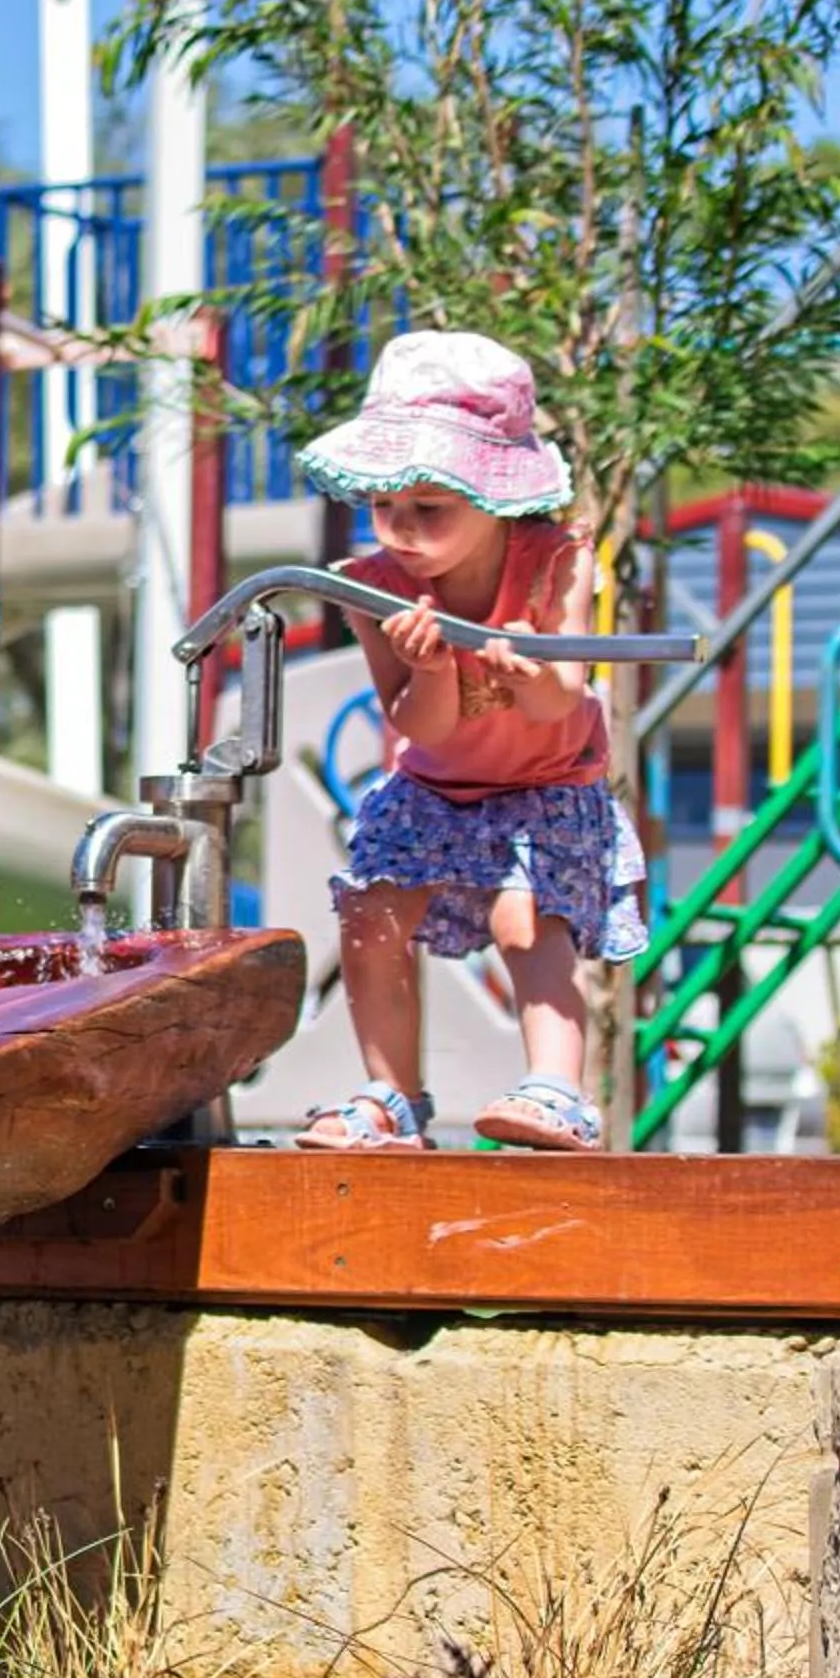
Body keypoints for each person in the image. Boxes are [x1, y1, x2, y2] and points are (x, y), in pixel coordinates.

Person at [292, 330, 647, 1152]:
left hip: (546, 781)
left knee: (529, 920)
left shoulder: (555, 563)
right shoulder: (373, 586)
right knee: (371, 915)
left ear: (494, 496)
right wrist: (439, 671)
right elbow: (416, 724)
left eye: (430, 509)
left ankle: (558, 1090)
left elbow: (561, 701)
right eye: (387, 507)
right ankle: (392, 1098)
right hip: (433, 784)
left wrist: (524, 666)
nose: (402, 530)